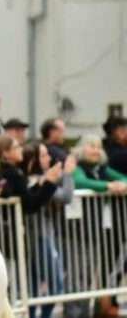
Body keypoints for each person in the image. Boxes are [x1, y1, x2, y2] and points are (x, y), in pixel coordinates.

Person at [71, 135, 127, 317]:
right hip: (80, 232)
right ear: (81, 148)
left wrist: (119, 184)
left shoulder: (102, 168)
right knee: (82, 274)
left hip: (105, 230)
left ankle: (103, 306)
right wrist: (108, 186)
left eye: (98, 146)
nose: (95, 150)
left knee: (108, 268)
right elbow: (80, 182)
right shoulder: (77, 167)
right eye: (90, 146)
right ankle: (80, 312)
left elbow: (124, 178)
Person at [21, 143, 75, 318]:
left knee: (33, 287)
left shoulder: (39, 178)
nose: (49, 158)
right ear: (33, 159)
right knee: (54, 284)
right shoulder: (36, 180)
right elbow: (66, 196)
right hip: (40, 238)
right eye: (43, 155)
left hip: (39, 237)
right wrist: (67, 173)